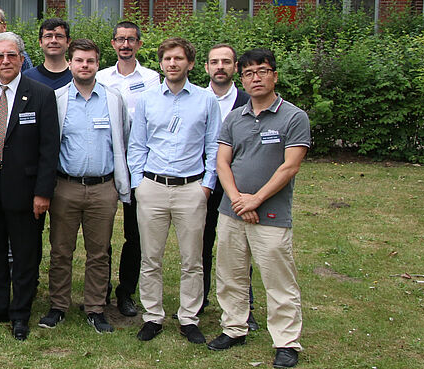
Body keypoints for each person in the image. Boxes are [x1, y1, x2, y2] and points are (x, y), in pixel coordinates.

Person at [207, 48, 309, 369]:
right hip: (231, 210)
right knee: (230, 274)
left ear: (274, 76)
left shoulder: (294, 117)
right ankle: (234, 327)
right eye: (249, 73)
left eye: (262, 71)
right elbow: (223, 161)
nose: (256, 78)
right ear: (242, 78)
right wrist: (238, 199)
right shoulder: (234, 118)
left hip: (272, 215)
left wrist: (255, 200)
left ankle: (286, 341)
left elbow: (289, 167)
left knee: (279, 279)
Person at [0, 32, 58, 341]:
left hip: (26, 190)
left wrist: (43, 192)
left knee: (25, 253)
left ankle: (20, 314)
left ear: (21, 58)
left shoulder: (41, 94)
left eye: (11, 55)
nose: (5, 61)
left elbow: (49, 148)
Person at [128, 37, 221, 344]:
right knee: (150, 257)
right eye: (167, 59)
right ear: (161, 63)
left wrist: (207, 186)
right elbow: (137, 144)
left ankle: (188, 317)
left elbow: (213, 146)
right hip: (152, 187)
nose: (172, 64)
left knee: (192, 259)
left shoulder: (206, 100)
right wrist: (138, 184)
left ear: (190, 64)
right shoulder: (148, 99)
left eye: (178, 59)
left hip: (191, 188)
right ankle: (152, 316)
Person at [41, 38, 130, 334]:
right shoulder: (57, 98)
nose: (84, 66)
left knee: (99, 252)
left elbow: (125, 139)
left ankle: (95, 307)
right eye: (79, 60)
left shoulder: (114, 99)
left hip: (104, 188)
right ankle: (58, 306)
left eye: (90, 61)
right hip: (65, 187)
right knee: (61, 250)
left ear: (97, 64)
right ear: (70, 63)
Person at [96, 21, 161, 318]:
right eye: (120, 39)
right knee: (102, 234)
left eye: (131, 40)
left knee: (134, 234)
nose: (125, 45)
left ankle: (127, 292)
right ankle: (102, 289)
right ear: (112, 44)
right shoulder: (100, 77)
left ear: (139, 44)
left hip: (140, 164)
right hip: (108, 163)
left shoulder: (151, 79)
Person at [202, 43, 260, 331]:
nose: (220, 66)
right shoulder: (196, 99)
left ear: (235, 67)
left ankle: (244, 307)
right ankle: (198, 300)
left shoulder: (249, 102)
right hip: (203, 183)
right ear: (206, 67)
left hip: (237, 185)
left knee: (239, 249)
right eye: (214, 62)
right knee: (200, 243)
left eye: (226, 61)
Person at [22, 18, 72, 90]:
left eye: (59, 36)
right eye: (48, 36)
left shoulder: (77, 76)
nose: (53, 41)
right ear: (40, 42)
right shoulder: (27, 78)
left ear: (68, 42)